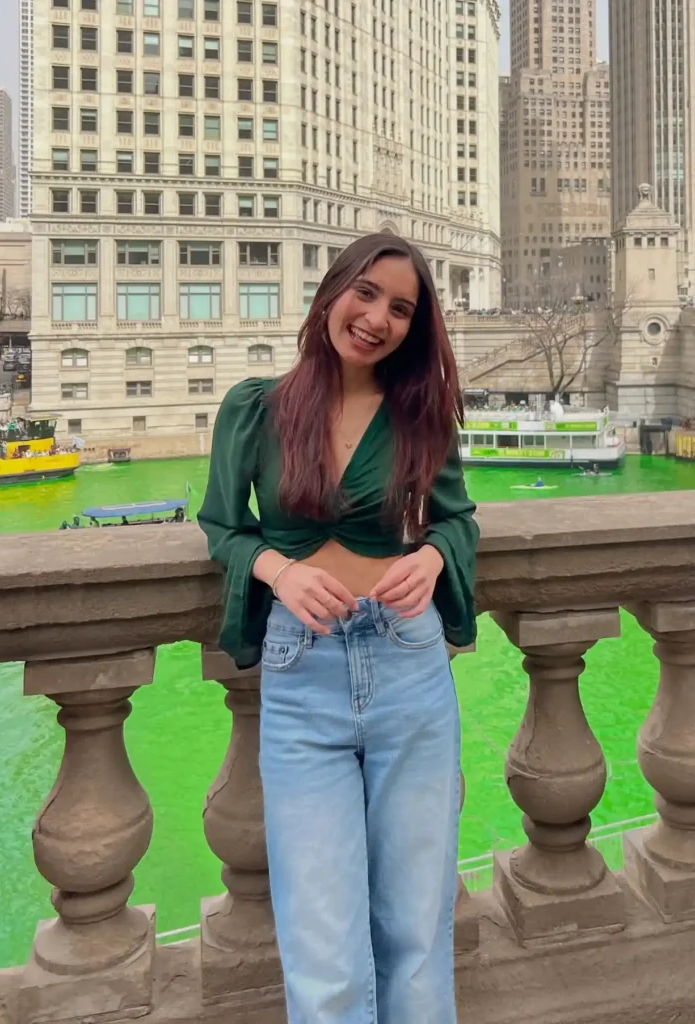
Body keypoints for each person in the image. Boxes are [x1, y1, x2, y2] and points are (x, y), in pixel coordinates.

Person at [199, 233, 479, 1024]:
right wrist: (279, 572)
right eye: (366, 293)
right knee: (322, 949)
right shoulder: (254, 408)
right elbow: (222, 527)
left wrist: (432, 558)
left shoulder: (421, 416)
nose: (377, 318)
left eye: (401, 308)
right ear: (332, 292)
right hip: (302, 673)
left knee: (416, 930)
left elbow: (457, 520)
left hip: (408, 663)